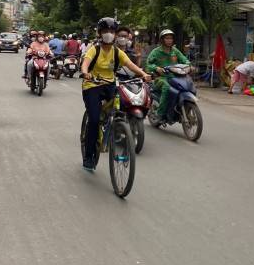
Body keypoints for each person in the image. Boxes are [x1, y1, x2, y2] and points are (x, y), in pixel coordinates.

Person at [81, 17, 150, 172]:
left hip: (110, 84)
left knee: (123, 103)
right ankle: (89, 155)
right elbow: (86, 62)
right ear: (100, 33)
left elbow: (130, 65)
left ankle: (119, 127)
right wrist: (86, 73)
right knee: (93, 119)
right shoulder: (95, 49)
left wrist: (144, 74)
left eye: (112, 31)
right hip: (92, 85)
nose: (109, 34)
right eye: (106, 31)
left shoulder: (117, 52)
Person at [146, 29, 189, 123]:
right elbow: (148, 64)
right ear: (162, 40)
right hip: (160, 78)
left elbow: (184, 60)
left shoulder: (175, 51)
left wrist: (189, 65)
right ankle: (160, 113)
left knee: (187, 84)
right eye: (167, 38)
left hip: (175, 77)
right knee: (166, 87)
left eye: (171, 38)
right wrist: (156, 68)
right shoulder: (156, 52)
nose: (169, 40)